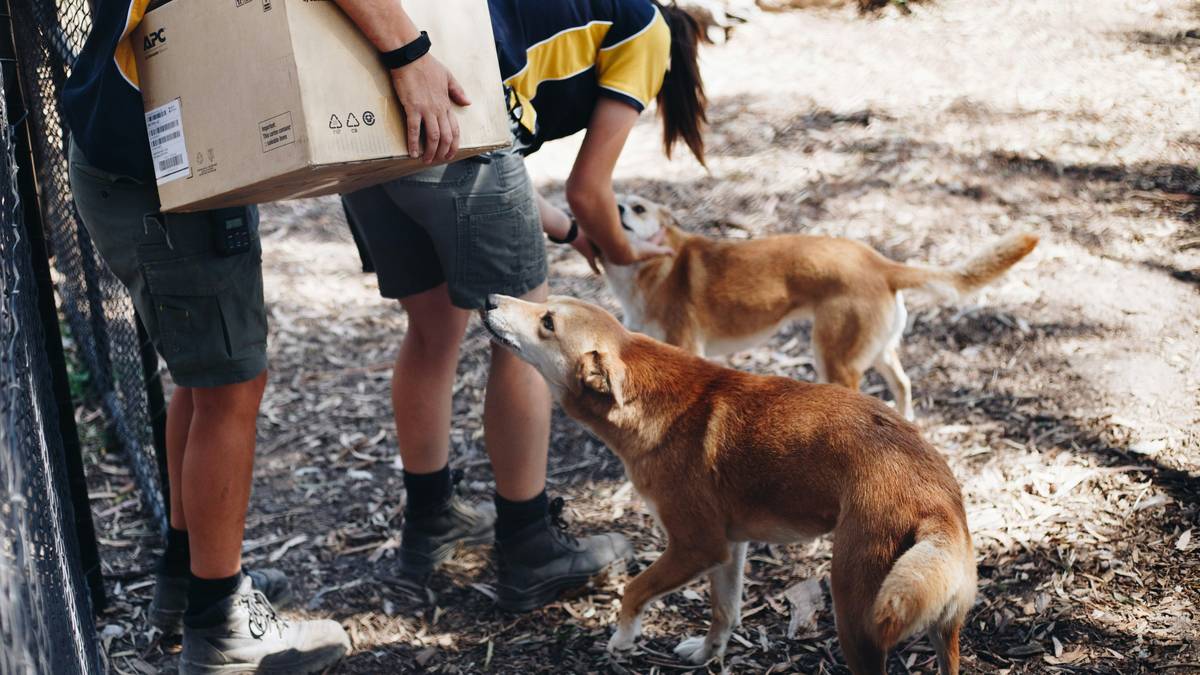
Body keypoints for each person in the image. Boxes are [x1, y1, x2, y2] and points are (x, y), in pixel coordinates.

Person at [62, 1, 468, 671]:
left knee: (205, 377)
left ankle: (190, 579)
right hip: (161, 171)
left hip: (149, 151)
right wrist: (409, 53)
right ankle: (221, 627)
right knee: (230, 385)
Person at [340, 0, 707, 612]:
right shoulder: (645, 28)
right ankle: (530, 544)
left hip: (370, 124)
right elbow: (588, 188)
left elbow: (503, 156)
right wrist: (623, 250)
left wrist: (571, 233)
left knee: (431, 335)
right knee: (525, 339)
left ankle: (430, 523)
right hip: (455, 118)